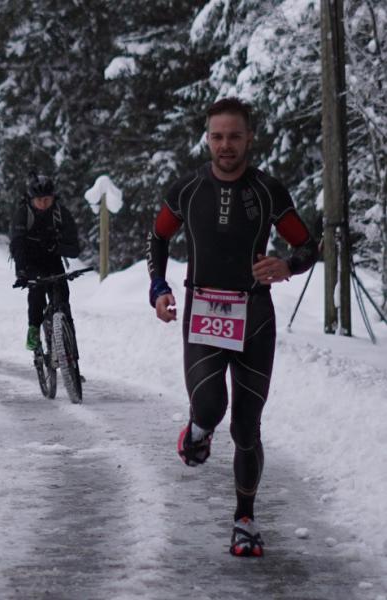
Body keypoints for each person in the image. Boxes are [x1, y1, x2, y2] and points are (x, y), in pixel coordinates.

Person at [147, 97, 317, 557]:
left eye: (234, 136)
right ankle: (198, 430)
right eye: (217, 136)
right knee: (209, 404)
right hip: (203, 310)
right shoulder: (187, 189)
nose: (225, 146)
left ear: (249, 139)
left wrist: (287, 265)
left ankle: (245, 519)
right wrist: (158, 286)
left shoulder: (267, 191)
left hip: (255, 316)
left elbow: (308, 245)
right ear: (208, 138)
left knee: (247, 426)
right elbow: (159, 235)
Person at [9, 171, 81, 351]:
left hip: (53, 261)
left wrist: (57, 247)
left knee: (63, 298)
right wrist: (21, 272)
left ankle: (70, 353)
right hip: (30, 261)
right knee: (37, 293)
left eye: (47, 199)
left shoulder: (61, 214)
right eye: (39, 200)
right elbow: (17, 245)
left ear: (53, 198)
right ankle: (33, 329)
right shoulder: (23, 214)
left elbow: (74, 248)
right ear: (31, 199)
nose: (43, 204)